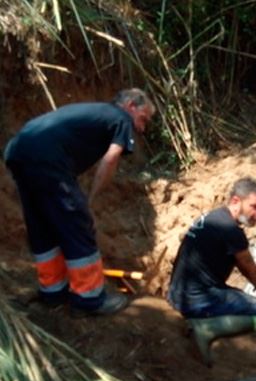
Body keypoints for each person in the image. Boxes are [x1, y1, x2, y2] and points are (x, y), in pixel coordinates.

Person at [3, 88, 155, 317]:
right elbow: (111, 158)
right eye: (143, 119)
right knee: (77, 222)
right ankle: (89, 298)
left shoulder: (95, 113)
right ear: (131, 105)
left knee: (42, 224)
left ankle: (53, 292)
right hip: (47, 158)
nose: (141, 128)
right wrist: (89, 201)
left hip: (18, 151)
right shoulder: (120, 117)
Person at [168, 177, 256, 366]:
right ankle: (206, 328)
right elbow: (250, 270)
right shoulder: (230, 230)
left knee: (238, 296)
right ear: (236, 201)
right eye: (255, 207)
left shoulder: (214, 217)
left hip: (177, 293)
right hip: (196, 300)